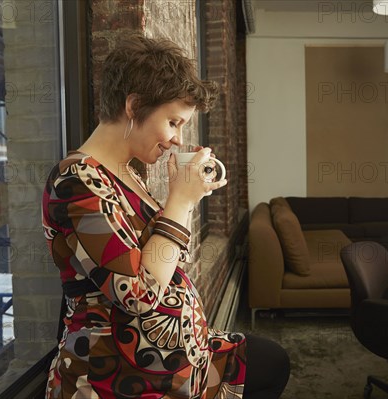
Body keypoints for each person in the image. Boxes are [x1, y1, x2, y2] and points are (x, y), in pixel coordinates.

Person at [42, 30, 289, 399]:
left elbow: (165, 258)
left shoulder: (127, 172)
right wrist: (180, 203)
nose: (176, 138)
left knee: (272, 361)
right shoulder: (75, 181)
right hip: (117, 374)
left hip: (167, 357)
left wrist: (188, 196)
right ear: (133, 105)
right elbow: (139, 295)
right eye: (173, 122)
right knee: (269, 364)